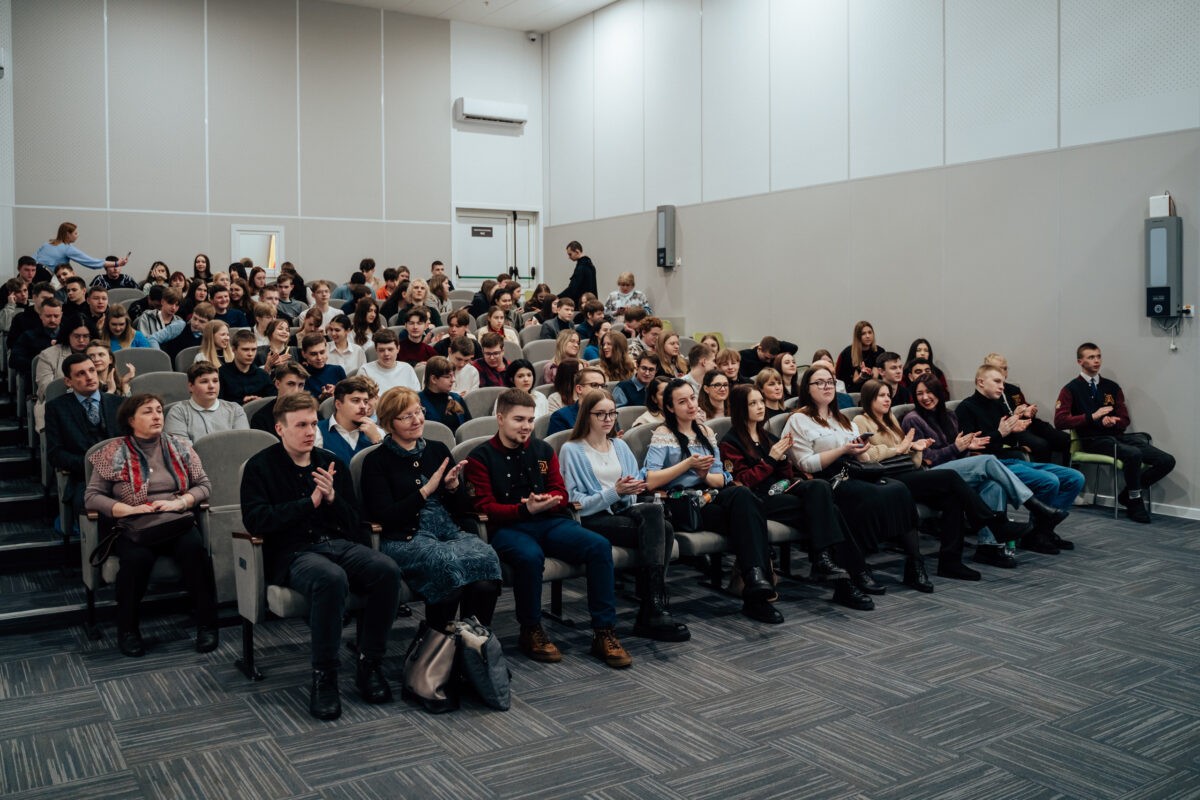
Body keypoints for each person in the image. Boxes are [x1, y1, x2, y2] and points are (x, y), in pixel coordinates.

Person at [241, 392, 402, 720]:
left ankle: (369, 663)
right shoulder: (260, 467)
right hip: (294, 551)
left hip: (338, 544)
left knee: (387, 569)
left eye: (313, 424)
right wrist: (309, 503)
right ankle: (324, 676)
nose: (310, 431)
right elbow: (257, 521)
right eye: (301, 425)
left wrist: (331, 499)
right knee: (331, 578)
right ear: (280, 429)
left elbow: (353, 521)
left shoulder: (331, 463)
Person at [465, 389, 632, 668]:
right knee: (530, 556)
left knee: (599, 546)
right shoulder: (480, 457)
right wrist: (524, 509)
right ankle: (531, 629)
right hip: (508, 527)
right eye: (519, 419)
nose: (526, 426)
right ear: (500, 418)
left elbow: (561, 492)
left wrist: (547, 501)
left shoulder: (542, 450)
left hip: (549, 521)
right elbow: (485, 508)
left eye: (531, 420)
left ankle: (604, 631)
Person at [362, 387, 500, 650]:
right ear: (389, 422)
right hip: (405, 537)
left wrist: (453, 488)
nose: (417, 420)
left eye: (419, 412)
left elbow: (463, 509)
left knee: (487, 560)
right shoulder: (376, 461)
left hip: (448, 531)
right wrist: (425, 491)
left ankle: (473, 645)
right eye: (407, 416)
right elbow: (385, 516)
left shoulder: (437, 449)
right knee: (446, 565)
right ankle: (435, 649)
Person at [85, 393, 217, 658]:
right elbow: (92, 496)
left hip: (175, 520)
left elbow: (204, 485)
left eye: (159, 410)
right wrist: (129, 509)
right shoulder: (113, 452)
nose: (157, 416)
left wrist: (180, 503)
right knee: (137, 560)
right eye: (148, 412)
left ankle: (207, 625)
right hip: (134, 525)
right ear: (131, 420)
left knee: (194, 550)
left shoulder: (180, 446)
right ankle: (128, 630)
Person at [719, 385, 873, 610]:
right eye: (753, 403)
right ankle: (847, 577)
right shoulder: (730, 443)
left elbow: (786, 476)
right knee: (830, 512)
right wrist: (771, 460)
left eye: (761, 401)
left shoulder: (768, 437)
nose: (760, 407)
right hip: (757, 501)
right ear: (740, 408)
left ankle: (827, 563)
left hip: (781, 493)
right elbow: (743, 482)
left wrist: (783, 461)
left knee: (820, 487)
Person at [643, 380, 782, 623]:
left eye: (692, 398)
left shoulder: (706, 432)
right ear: (670, 408)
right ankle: (756, 586)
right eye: (682, 401)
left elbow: (720, 479)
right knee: (748, 517)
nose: (691, 405)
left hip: (709, 494)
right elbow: (650, 480)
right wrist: (687, 465)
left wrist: (704, 474)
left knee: (743, 496)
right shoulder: (663, 435)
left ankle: (754, 583)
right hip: (683, 502)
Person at [785, 366, 931, 594]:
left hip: (854, 471)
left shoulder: (842, 419)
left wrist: (861, 449)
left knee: (900, 489)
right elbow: (805, 464)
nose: (827, 387)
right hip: (826, 480)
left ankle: (915, 563)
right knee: (869, 496)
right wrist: (843, 449)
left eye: (830, 382)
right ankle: (857, 568)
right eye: (820, 382)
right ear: (807, 388)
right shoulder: (799, 420)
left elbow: (863, 457)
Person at [561, 389, 690, 640]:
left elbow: (633, 489)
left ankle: (651, 607)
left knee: (658, 519)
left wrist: (631, 490)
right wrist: (615, 492)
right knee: (663, 527)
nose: (608, 419)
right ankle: (652, 606)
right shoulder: (572, 450)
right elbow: (575, 504)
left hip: (625, 513)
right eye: (601, 414)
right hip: (592, 519)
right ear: (587, 415)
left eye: (612, 413)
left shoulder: (619, 445)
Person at [901, 373, 1064, 569]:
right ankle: (1034, 505)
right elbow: (925, 459)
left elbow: (958, 452)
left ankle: (989, 548)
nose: (925, 397)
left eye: (929, 392)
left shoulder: (949, 416)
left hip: (955, 471)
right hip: (933, 475)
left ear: (939, 393)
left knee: (993, 484)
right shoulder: (913, 419)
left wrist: (967, 447)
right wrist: (956, 448)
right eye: (919, 394)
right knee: (988, 459)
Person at [855, 379, 1011, 581]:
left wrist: (916, 448)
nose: (887, 399)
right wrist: (899, 449)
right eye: (881, 396)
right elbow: (868, 456)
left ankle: (950, 563)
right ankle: (993, 521)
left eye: (888, 395)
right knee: (950, 476)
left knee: (953, 499)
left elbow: (913, 459)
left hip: (908, 472)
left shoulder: (890, 419)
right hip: (888, 479)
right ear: (869, 399)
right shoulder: (861, 421)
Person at [956, 364, 1083, 554]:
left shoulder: (997, 404)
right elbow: (972, 448)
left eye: (1003, 382)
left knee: (1075, 477)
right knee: (1049, 481)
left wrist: (1014, 430)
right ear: (981, 382)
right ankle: (1038, 534)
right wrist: (1001, 432)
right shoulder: (966, 408)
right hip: (991, 465)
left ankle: (1041, 532)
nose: (1002, 386)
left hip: (1007, 460)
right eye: (997, 381)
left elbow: (1005, 439)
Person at [1053, 342, 1175, 523]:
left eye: (1098, 356)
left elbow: (1124, 420)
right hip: (1092, 440)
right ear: (1080, 362)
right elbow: (1060, 421)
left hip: (1116, 436)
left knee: (1166, 460)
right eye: (1091, 357)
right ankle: (1135, 500)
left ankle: (1127, 495)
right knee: (1133, 454)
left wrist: (1114, 421)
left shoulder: (1112, 387)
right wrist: (1092, 417)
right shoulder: (1070, 389)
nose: (1096, 361)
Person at [46, 354, 123, 525]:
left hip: (123, 474)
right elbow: (55, 454)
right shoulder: (56, 408)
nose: (89, 377)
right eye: (81, 374)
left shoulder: (119, 403)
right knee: (91, 508)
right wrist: (91, 465)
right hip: (85, 477)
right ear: (68, 381)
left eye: (92, 370)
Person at [980, 353, 1071, 465]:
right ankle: (1043, 474)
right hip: (1012, 430)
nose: (1004, 372)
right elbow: (994, 419)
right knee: (1041, 445)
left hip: (1028, 423)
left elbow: (1023, 405)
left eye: (1005, 368)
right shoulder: (988, 394)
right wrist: (1015, 416)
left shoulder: (1013, 389)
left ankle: (1066, 471)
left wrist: (1028, 410)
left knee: (1065, 439)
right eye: (999, 369)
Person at [165, 361, 250, 442]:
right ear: (191, 386)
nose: (211, 386)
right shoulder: (178, 413)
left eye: (215, 381)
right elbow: (182, 450)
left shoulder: (235, 410)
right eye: (204, 382)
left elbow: (243, 444)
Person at [317, 376, 385, 466]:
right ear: (338, 404)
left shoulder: (377, 433)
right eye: (356, 400)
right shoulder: (316, 431)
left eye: (365, 401)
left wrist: (378, 441)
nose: (363, 406)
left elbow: (389, 470)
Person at [250, 364, 322, 447]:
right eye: (291, 384)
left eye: (301, 385)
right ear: (277, 384)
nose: (296, 391)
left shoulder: (312, 412)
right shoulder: (261, 419)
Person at [34, 222, 128, 273]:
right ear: (68, 234)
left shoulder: (47, 243)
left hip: (33, 275)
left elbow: (33, 259)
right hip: (47, 279)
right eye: (75, 233)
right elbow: (92, 263)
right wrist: (116, 263)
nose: (78, 235)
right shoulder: (68, 249)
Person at [218, 330, 275, 404]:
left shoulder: (262, 375)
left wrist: (261, 401)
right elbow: (218, 403)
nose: (250, 354)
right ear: (234, 349)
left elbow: (273, 400)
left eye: (253, 350)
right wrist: (243, 402)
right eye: (245, 349)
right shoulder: (222, 373)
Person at [547, 366, 607, 435]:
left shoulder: (609, 413)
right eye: (594, 385)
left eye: (603, 386)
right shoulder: (561, 417)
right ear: (579, 389)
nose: (600, 390)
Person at [358, 329, 420, 394]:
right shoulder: (365, 371)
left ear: (398, 349)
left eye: (390, 349)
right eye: (381, 350)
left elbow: (416, 396)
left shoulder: (407, 369)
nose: (386, 354)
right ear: (376, 350)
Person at [419, 356, 470, 433]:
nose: (453, 380)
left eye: (453, 375)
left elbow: (469, 428)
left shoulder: (457, 398)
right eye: (448, 377)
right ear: (433, 379)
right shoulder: (418, 402)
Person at [835, 320, 884, 393]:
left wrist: (871, 374)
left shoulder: (879, 351)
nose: (868, 336)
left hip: (875, 390)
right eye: (863, 334)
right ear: (858, 336)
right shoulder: (848, 353)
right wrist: (862, 376)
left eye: (870, 332)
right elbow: (853, 380)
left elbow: (877, 378)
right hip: (854, 391)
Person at [299, 333, 348, 401]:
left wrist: (337, 392)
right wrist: (320, 399)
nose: (319, 358)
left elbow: (348, 397)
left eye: (322, 352)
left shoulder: (338, 370)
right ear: (304, 354)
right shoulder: (300, 376)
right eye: (313, 354)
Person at [558, 240, 598, 305]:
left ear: (577, 252)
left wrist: (557, 298)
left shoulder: (581, 267)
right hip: (592, 303)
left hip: (582, 304)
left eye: (570, 254)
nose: (569, 257)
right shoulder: (590, 265)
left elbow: (573, 289)